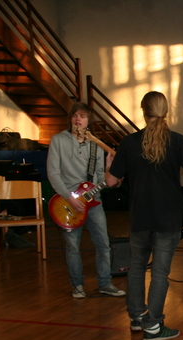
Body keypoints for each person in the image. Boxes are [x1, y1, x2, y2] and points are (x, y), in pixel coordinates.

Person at [105, 91, 183, 340]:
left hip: (140, 216)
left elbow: (111, 181)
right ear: (166, 111)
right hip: (167, 217)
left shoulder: (129, 142)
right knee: (159, 272)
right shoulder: (178, 141)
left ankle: (136, 317)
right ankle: (153, 326)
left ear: (143, 111)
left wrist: (108, 166)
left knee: (137, 267)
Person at [47, 102, 125, 299]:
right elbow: (53, 173)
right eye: (75, 115)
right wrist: (69, 197)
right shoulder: (58, 140)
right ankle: (77, 285)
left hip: (93, 200)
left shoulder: (95, 145)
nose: (78, 119)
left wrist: (109, 171)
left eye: (82, 116)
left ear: (89, 121)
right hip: (67, 202)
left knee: (103, 244)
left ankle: (105, 283)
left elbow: (99, 178)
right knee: (73, 246)